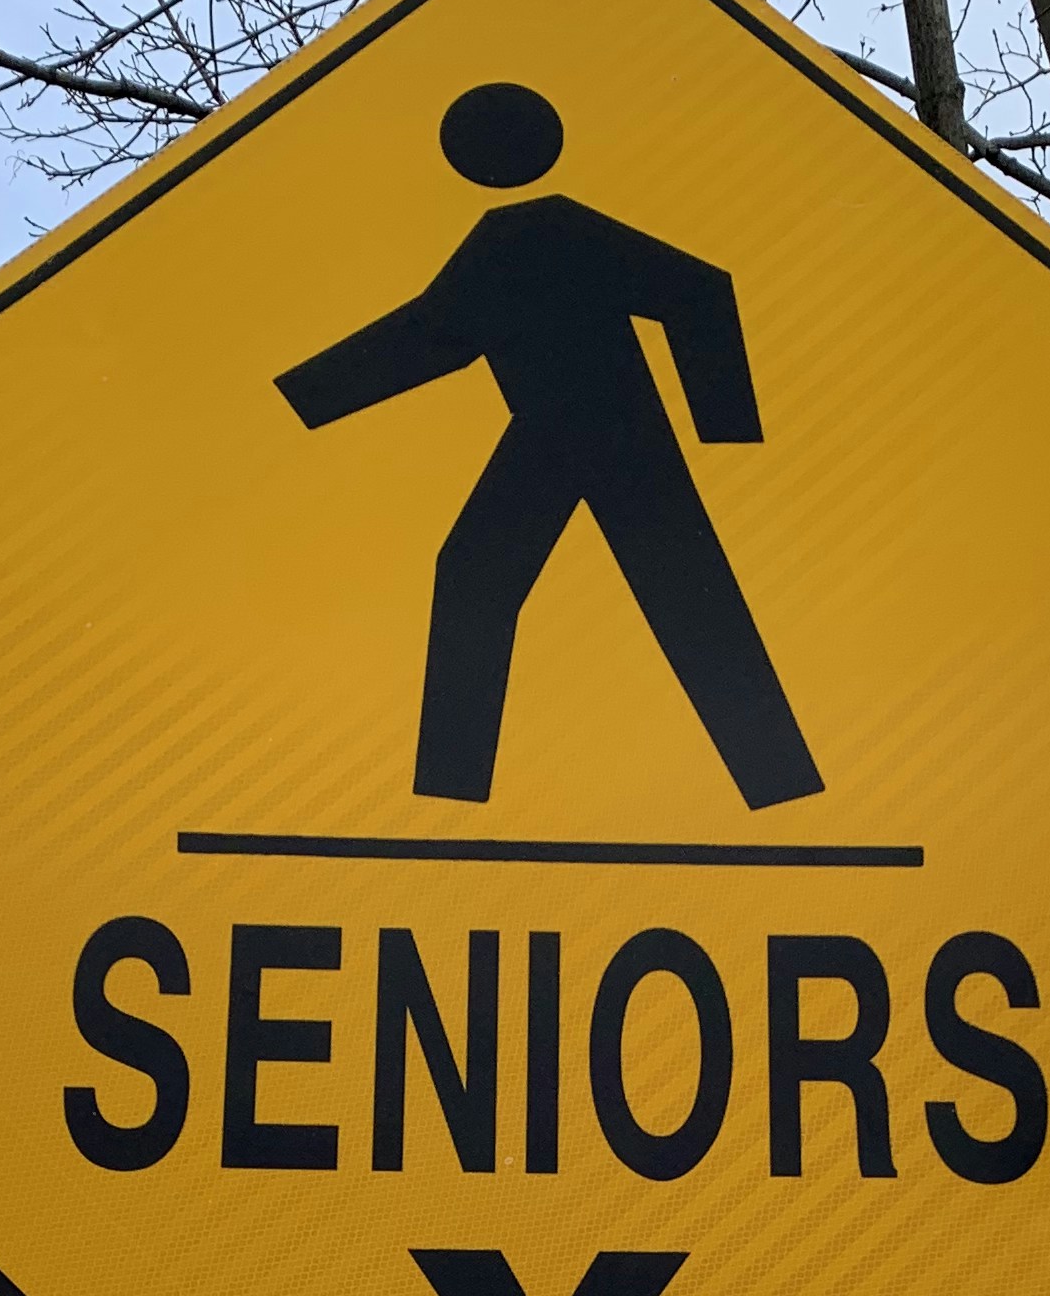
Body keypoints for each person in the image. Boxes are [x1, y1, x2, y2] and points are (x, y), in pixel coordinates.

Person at [277, 83, 824, 809]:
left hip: (620, 430)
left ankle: (779, 783)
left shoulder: (551, 230)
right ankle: (449, 800)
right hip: (554, 430)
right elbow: (431, 336)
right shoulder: (503, 241)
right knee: (482, 573)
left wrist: (725, 426)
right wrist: (303, 398)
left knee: (677, 590)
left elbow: (698, 290)